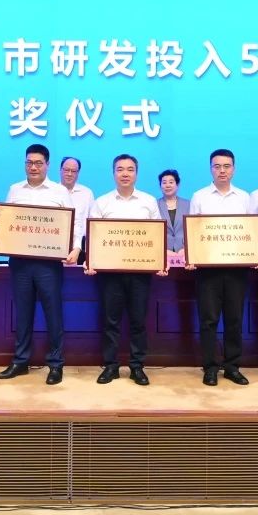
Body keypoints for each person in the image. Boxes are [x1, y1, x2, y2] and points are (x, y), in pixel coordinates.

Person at [0, 143, 83, 385]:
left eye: (38, 163)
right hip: (20, 261)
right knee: (23, 312)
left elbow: (74, 223)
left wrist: (76, 248)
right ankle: (20, 361)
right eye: (29, 163)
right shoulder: (15, 189)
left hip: (48, 263)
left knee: (53, 312)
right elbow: (7, 221)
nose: (33, 167)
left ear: (47, 165)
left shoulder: (59, 191)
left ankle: (55, 364)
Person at [88, 154, 165, 386]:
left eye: (130, 169)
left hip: (140, 273)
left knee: (138, 321)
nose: (125, 174)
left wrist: (160, 261)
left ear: (136, 174)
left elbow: (157, 235)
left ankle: (137, 367)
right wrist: (91, 260)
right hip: (110, 273)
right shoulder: (102, 202)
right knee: (110, 320)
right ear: (113, 173)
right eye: (120, 169)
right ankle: (110, 366)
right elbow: (93, 236)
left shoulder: (148, 201)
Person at [188, 148, 258, 387]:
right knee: (208, 320)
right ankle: (210, 367)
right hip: (208, 268)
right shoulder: (199, 196)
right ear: (210, 169)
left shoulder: (244, 197)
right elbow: (194, 231)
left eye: (226, 166)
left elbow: (252, 230)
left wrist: (257, 252)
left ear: (234, 169)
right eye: (217, 166)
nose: (222, 170)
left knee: (234, 319)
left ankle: (232, 367)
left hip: (237, 267)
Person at [59, 156, 94, 260]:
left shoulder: (87, 193)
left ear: (78, 173)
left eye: (73, 171)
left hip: (81, 246)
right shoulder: (52, 192)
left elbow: (91, 222)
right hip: (57, 242)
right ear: (60, 170)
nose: (69, 174)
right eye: (66, 170)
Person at [158, 169, 190, 268]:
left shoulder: (188, 204)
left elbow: (192, 229)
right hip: (162, 253)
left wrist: (186, 248)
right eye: (164, 182)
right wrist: (163, 249)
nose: (167, 185)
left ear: (177, 185)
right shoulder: (154, 205)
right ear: (160, 186)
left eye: (171, 182)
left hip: (184, 253)